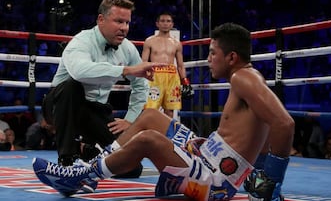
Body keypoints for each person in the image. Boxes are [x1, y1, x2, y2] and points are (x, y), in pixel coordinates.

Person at [33, 23, 294, 201]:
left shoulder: (244, 79)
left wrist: (269, 185)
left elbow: (284, 123)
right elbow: (264, 130)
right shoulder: (247, 80)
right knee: (150, 116)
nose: (208, 59)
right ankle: (91, 172)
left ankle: (83, 176)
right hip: (208, 161)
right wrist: (247, 168)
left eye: (213, 53)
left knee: (150, 139)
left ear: (232, 57)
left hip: (214, 186)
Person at [41, 0, 160, 167]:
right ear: (101, 20)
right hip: (61, 104)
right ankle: (66, 159)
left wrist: (130, 119)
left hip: (95, 109)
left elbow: (141, 85)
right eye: (119, 21)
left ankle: (85, 150)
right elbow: (79, 71)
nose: (124, 28)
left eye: (127, 22)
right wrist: (125, 70)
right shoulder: (82, 41)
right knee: (72, 86)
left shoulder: (127, 48)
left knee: (129, 167)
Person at [142, 11, 193, 118]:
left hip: (172, 77)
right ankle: (150, 134)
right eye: (163, 21)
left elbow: (180, 65)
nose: (165, 23)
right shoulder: (149, 41)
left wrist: (185, 81)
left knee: (170, 110)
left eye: (168, 21)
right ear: (157, 23)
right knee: (150, 109)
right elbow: (144, 62)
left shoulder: (177, 44)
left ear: (172, 24)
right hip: (154, 76)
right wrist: (143, 78)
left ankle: (167, 134)